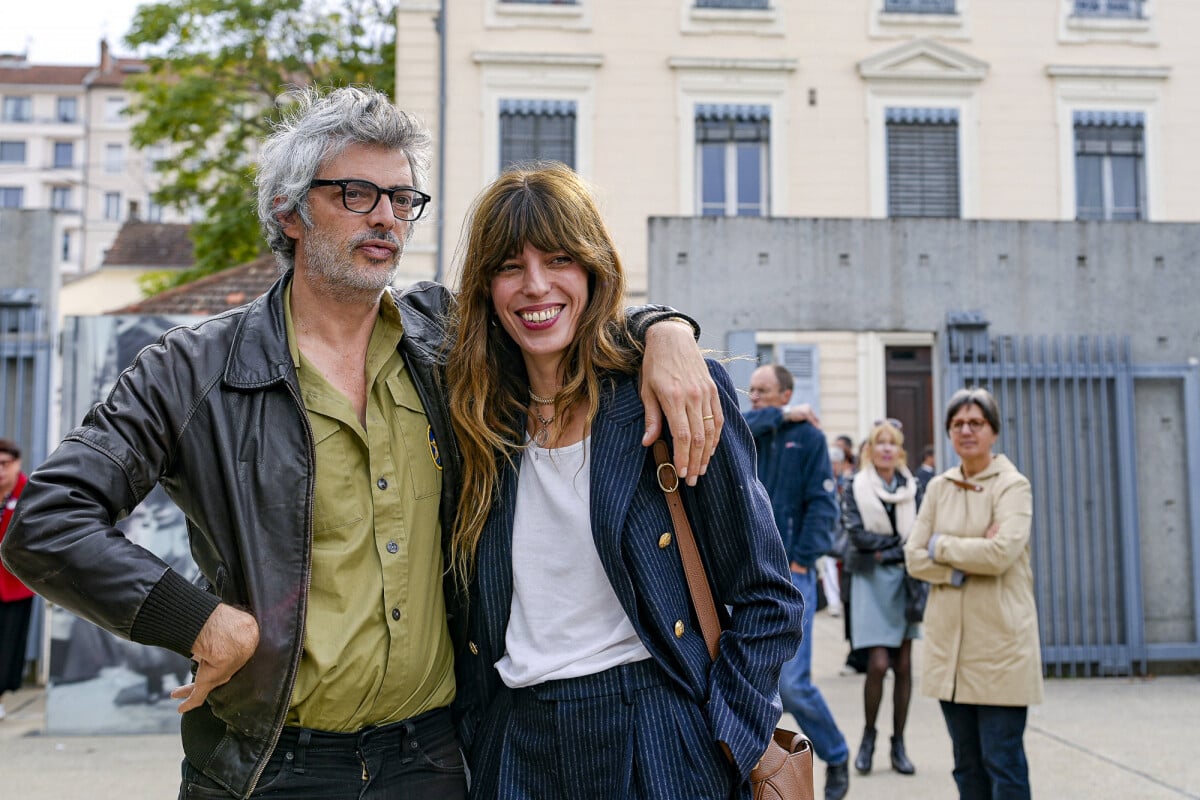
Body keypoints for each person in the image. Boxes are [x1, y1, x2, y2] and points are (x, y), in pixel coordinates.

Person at [0, 88, 720, 800]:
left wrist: (664, 328)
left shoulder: (444, 340)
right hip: (270, 768)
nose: (385, 218)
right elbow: (47, 521)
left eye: (402, 199)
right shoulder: (191, 369)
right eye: (355, 193)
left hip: (434, 759)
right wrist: (200, 622)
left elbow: (556, 304)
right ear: (288, 212)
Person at [444, 163, 803, 800]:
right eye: (508, 266)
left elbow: (766, 594)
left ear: (592, 268)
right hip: (515, 747)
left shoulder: (668, 397)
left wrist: (726, 737)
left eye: (558, 259)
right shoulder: (474, 415)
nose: (535, 286)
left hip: (659, 738)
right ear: (485, 287)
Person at [905, 387, 1042, 800]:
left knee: (1003, 763)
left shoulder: (1012, 486)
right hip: (950, 651)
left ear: (993, 431)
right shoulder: (939, 487)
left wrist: (941, 545)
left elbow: (1000, 555)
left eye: (976, 423)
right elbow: (913, 557)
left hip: (1000, 647)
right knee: (966, 765)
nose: (966, 430)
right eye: (957, 424)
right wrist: (966, 560)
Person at [743, 364, 850, 800]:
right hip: (746, 578)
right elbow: (740, 419)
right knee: (751, 684)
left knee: (792, 684)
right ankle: (764, 778)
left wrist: (803, 561)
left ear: (785, 394)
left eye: (764, 392)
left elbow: (822, 504)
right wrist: (779, 416)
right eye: (751, 390)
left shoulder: (809, 439)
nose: (754, 397)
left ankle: (836, 753)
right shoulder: (748, 431)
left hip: (792, 576)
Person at [842, 419, 920, 777]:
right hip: (870, 581)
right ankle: (868, 736)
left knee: (903, 666)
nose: (886, 448)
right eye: (880, 443)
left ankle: (898, 743)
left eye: (892, 443)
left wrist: (887, 552)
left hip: (907, 580)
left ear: (900, 451)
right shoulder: (854, 486)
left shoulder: (912, 488)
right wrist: (895, 549)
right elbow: (857, 537)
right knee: (876, 664)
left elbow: (919, 533)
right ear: (870, 451)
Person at [0, 438, 31, 721]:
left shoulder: (28, 493)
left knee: (8, 645)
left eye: (4, 464)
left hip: (15, 585)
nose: (0, 471)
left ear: (16, 464)